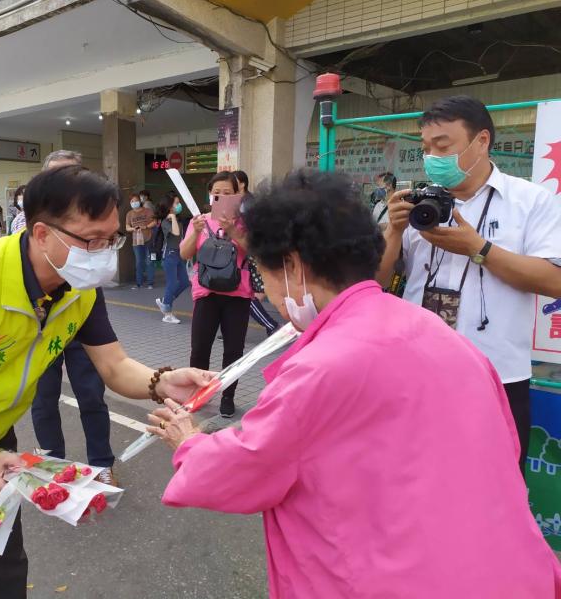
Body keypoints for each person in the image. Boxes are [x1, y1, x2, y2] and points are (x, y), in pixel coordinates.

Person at [149, 169, 561, 598]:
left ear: (291, 264)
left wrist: (189, 442)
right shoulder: (439, 332)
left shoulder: (320, 366)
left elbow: (249, 466)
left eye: (262, 271)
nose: (266, 290)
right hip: (502, 570)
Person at [0, 164, 213, 598]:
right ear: (42, 233)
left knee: (3, 564)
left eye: (112, 240)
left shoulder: (79, 287)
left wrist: (163, 380)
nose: (104, 254)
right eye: (91, 241)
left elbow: (114, 365)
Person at [377, 95, 561, 472]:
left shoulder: (530, 202)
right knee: (414, 482)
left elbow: (554, 281)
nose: (432, 157)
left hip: (496, 378)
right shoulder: (419, 205)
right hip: (417, 374)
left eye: (443, 146)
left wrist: (479, 249)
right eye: (426, 148)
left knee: (495, 489)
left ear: (481, 141)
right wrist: (393, 233)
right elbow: (373, 286)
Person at [32, 150, 119, 486]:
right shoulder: (27, 238)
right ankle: (52, 462)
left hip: (80, 327)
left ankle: (101, 463)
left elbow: (116, 366)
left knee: (92, 395)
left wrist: (158, 383)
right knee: (43, 398)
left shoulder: (89, 251)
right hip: (41, 332)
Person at [180, 171, 253, 418]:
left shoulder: (243, 221)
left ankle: (228, 397)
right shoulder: (198, 220)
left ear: (237, 195)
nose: (221, 196)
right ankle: (198, 394)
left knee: (234, 351)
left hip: (238, 294)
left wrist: (233, 231)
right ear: (210, 195)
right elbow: (185, 254)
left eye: (228, 193)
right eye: (217, 193)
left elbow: (252, 251)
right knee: (200, 348)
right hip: (206, 293)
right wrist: (196, 232)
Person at [235, 171, 280, 337]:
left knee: (245, 294)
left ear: (242, 184)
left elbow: (251, 227)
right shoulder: (244, 201)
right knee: (251, 293)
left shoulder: (247, 203)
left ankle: (270, 325)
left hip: (250, 251)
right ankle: (234, 328)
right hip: (250, 250)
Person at [153, 192, 189, 324]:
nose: (179, 205)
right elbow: (175, 232)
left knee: (185, 282)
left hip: (179, 254)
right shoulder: (165, 221)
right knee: (172, 283)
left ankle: (166, 302)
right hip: (169, 254)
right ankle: (167, 314)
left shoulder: (177, 219)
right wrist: (172, 217)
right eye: (177, 203)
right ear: (170, 206)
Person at [125, 192, 155, 289]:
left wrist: (145, 226)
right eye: (132, 201)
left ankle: (150, 283)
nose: (134, 202)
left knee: (150, 261)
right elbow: (127, 227)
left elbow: (154, 222)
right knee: (139, 262)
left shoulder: (148, 211)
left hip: (148, 239)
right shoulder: (129, 214)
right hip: (136, 241)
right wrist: (133, 229)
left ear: (140, 201)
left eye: (136, 200)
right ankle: (139, 283)